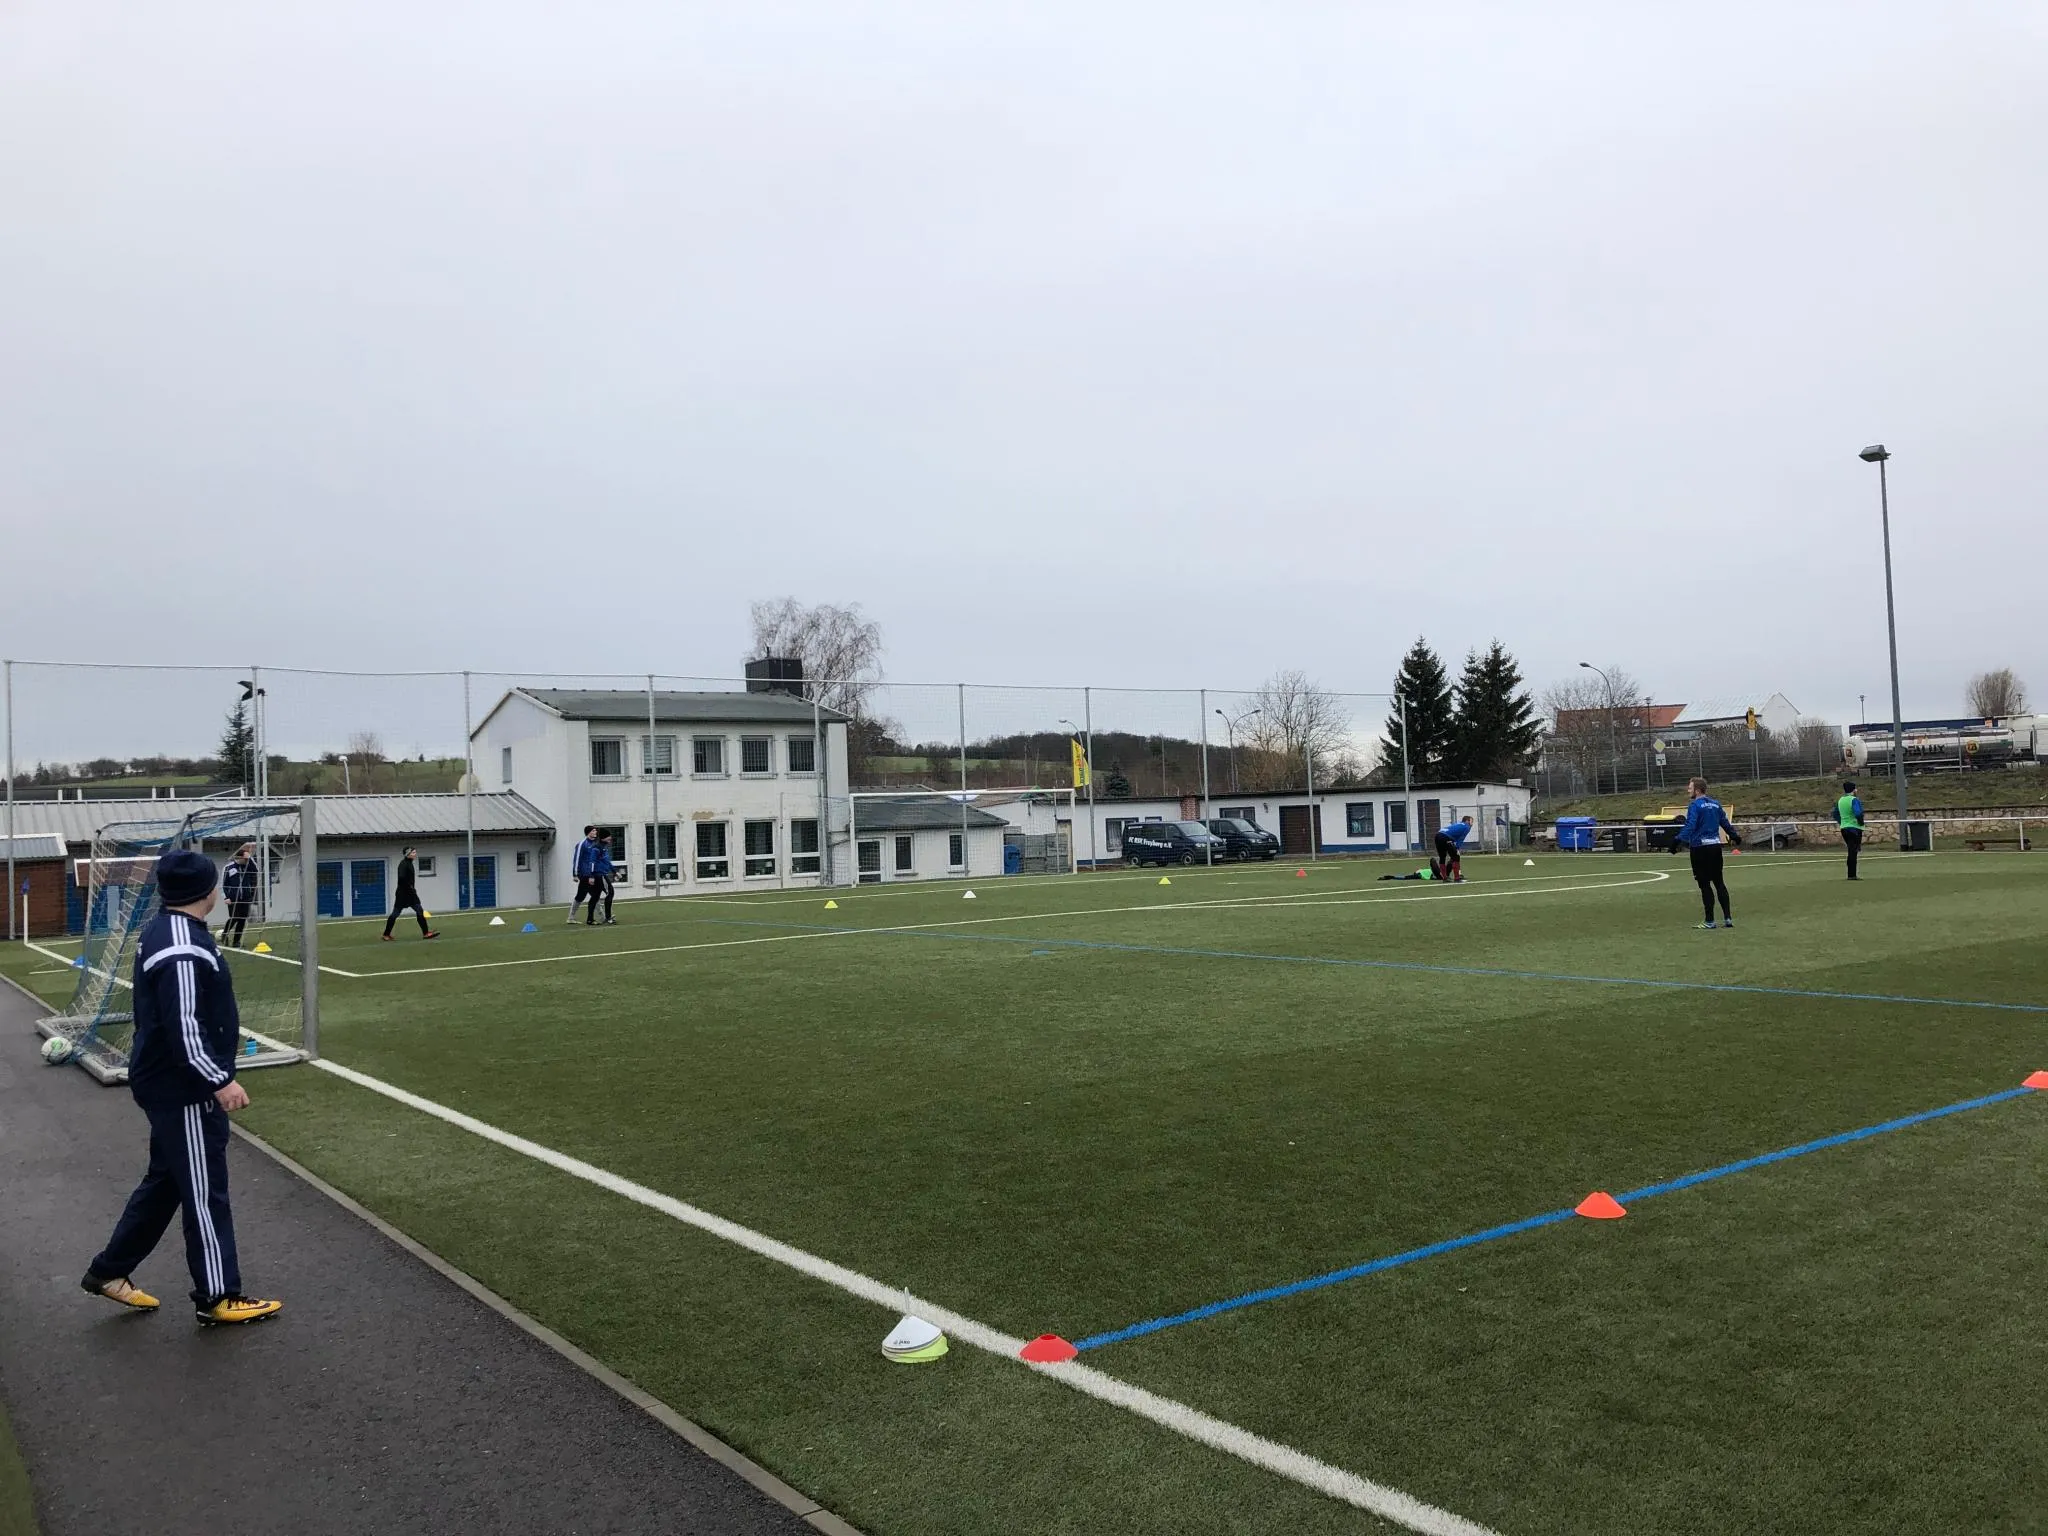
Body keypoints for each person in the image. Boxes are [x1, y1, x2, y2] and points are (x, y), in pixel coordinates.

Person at [81, 849, 282, 1326]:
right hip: (183, 1088)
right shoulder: (181, 945)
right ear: (207, 891)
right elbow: (183, 1024)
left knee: (167, 1182)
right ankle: (218, 1294)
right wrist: (219, 1079)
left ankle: (109, 1271)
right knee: (205, 1190)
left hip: (168, 1082)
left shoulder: (171, 929)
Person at [1670, 776, 1740, 929]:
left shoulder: (1695, 805)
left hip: (1700, 848)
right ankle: (1728, 918)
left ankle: (1710, 921)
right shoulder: (1716, 804)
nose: (1688, 790)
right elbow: (1725, 823)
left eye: (1690, 788)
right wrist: (1735, 836)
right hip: (1715, 847)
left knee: (1704, 885)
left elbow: (1690, 825)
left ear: (1697, 790)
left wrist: (1677, 841)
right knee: (1719, 882)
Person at [381, 846, 438, 941]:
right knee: (395, 913)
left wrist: (411, 889)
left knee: (419, 910)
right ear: (408, 854)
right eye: (413, 853)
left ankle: (426, 933)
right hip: (403, 894)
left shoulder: (409, 863)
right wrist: (409, 887)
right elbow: (401, 878)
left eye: (415, 852)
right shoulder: (403, 864)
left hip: (410, 893)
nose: (415, 854)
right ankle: (386, 934)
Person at [219, 842, 259, 948]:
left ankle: (236, 942)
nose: (246, 861)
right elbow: (223, 884)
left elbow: (256, 870)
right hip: (232, 898)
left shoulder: (248, 866)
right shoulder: (229, 867)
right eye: (245, 859)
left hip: (245, 897)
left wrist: (249, 858)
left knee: (242, 919)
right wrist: (226, 897)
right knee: (234, 917)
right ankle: (224, 934)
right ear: (240, 858)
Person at [568, 826, 602, 924]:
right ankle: (571, 917)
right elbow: (576, 859)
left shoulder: (596, 844)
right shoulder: (582, 844)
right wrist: (575, 874)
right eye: (593, 831)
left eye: (595, 831)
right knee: (582, 895)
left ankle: (603, 916)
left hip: (593, 874)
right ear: (588, 832)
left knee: (594, 895)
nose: (595, 832)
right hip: (585, 874)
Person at [1837, 779, 1866, 881]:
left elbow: (1835, 813)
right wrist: (1861, 822)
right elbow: (1858, 813)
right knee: (1853, 851)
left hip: (1844, 828)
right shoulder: (1854, 800)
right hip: (1854, 828)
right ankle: (1852, 875)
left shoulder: (1840, 800)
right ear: (1853, 790)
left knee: (1851, 850)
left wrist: (1842, 822)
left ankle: (1851, 873)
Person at [588, 831, 617, 926]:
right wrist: (591, 875)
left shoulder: (603, 848)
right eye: (608, 836)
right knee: (610, 892)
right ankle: (608, 917)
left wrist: (614, 872)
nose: (610, 838)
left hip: (600, 874)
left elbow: (607, 861)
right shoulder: (596, 848)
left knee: (595, 897)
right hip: (599, 875)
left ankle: (590, 919)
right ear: (603, 838)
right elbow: (592, 862)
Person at [1433, 817, 1473, 883]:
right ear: (1467, 821)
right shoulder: (1467, 827)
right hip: (1445, 837)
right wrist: (1457, 848)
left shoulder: (1459, 824)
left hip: (1438, 835)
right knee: (1456, 857)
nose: (1472, 823)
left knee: (1442, 857)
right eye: (1471, 821)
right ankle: (1457, 878)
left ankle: (1445, 878)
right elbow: (1461, 839)